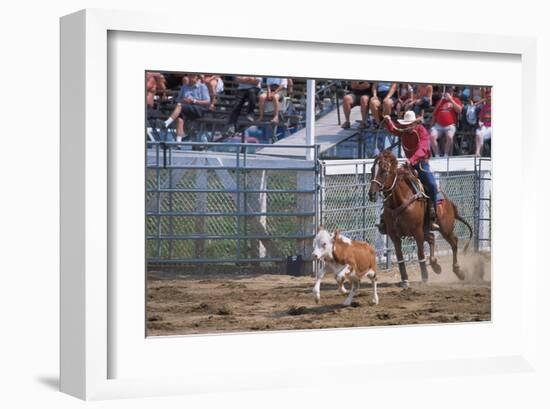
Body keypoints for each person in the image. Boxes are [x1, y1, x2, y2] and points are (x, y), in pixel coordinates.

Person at [381, 111, 443, 232]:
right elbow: (394, 129)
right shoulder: (404, 130)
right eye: (406, 124)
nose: (407, 127)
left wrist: (412, 160)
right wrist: (388, 121)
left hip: (421, 164)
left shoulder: (422, 132)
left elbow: (423, 149)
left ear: (415, 123)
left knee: (431, 184)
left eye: (409, 124)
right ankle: (385, 218)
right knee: (392, 183)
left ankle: (433, 216)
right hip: (408, 164)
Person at [162, 73, 210, 143]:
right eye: (189, 75)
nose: (190, 77)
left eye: (192, 76)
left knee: (179, 106)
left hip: (198, 108)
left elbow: (207, 102)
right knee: (179, 117)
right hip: (186, 108)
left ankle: (167, 122)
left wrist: (194, 101)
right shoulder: (184, 87)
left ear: (197, 77)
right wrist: (184, 100)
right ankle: (178, 143)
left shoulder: (202, 87)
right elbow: (178, 100)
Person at [429, 86, 463, 157]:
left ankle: (446, 155)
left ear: (452, 93)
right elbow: (434, 114)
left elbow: (459, 110)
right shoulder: (440, 101)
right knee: (432, 136)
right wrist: (431, 125)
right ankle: (437, 155)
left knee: (450, 136)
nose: (448, 93)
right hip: (438, 125)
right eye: (447, 91)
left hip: (450, 125)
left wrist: (451, 100)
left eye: (450, 91)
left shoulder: (456, 100)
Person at [475, 89, 491, 156]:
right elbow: (480, 119)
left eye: (490, 96)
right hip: (485, 127)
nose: (489, 98)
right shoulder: (484, 107)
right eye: (487, 96)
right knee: (478, 132)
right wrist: (480, 123)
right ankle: (478, 153)